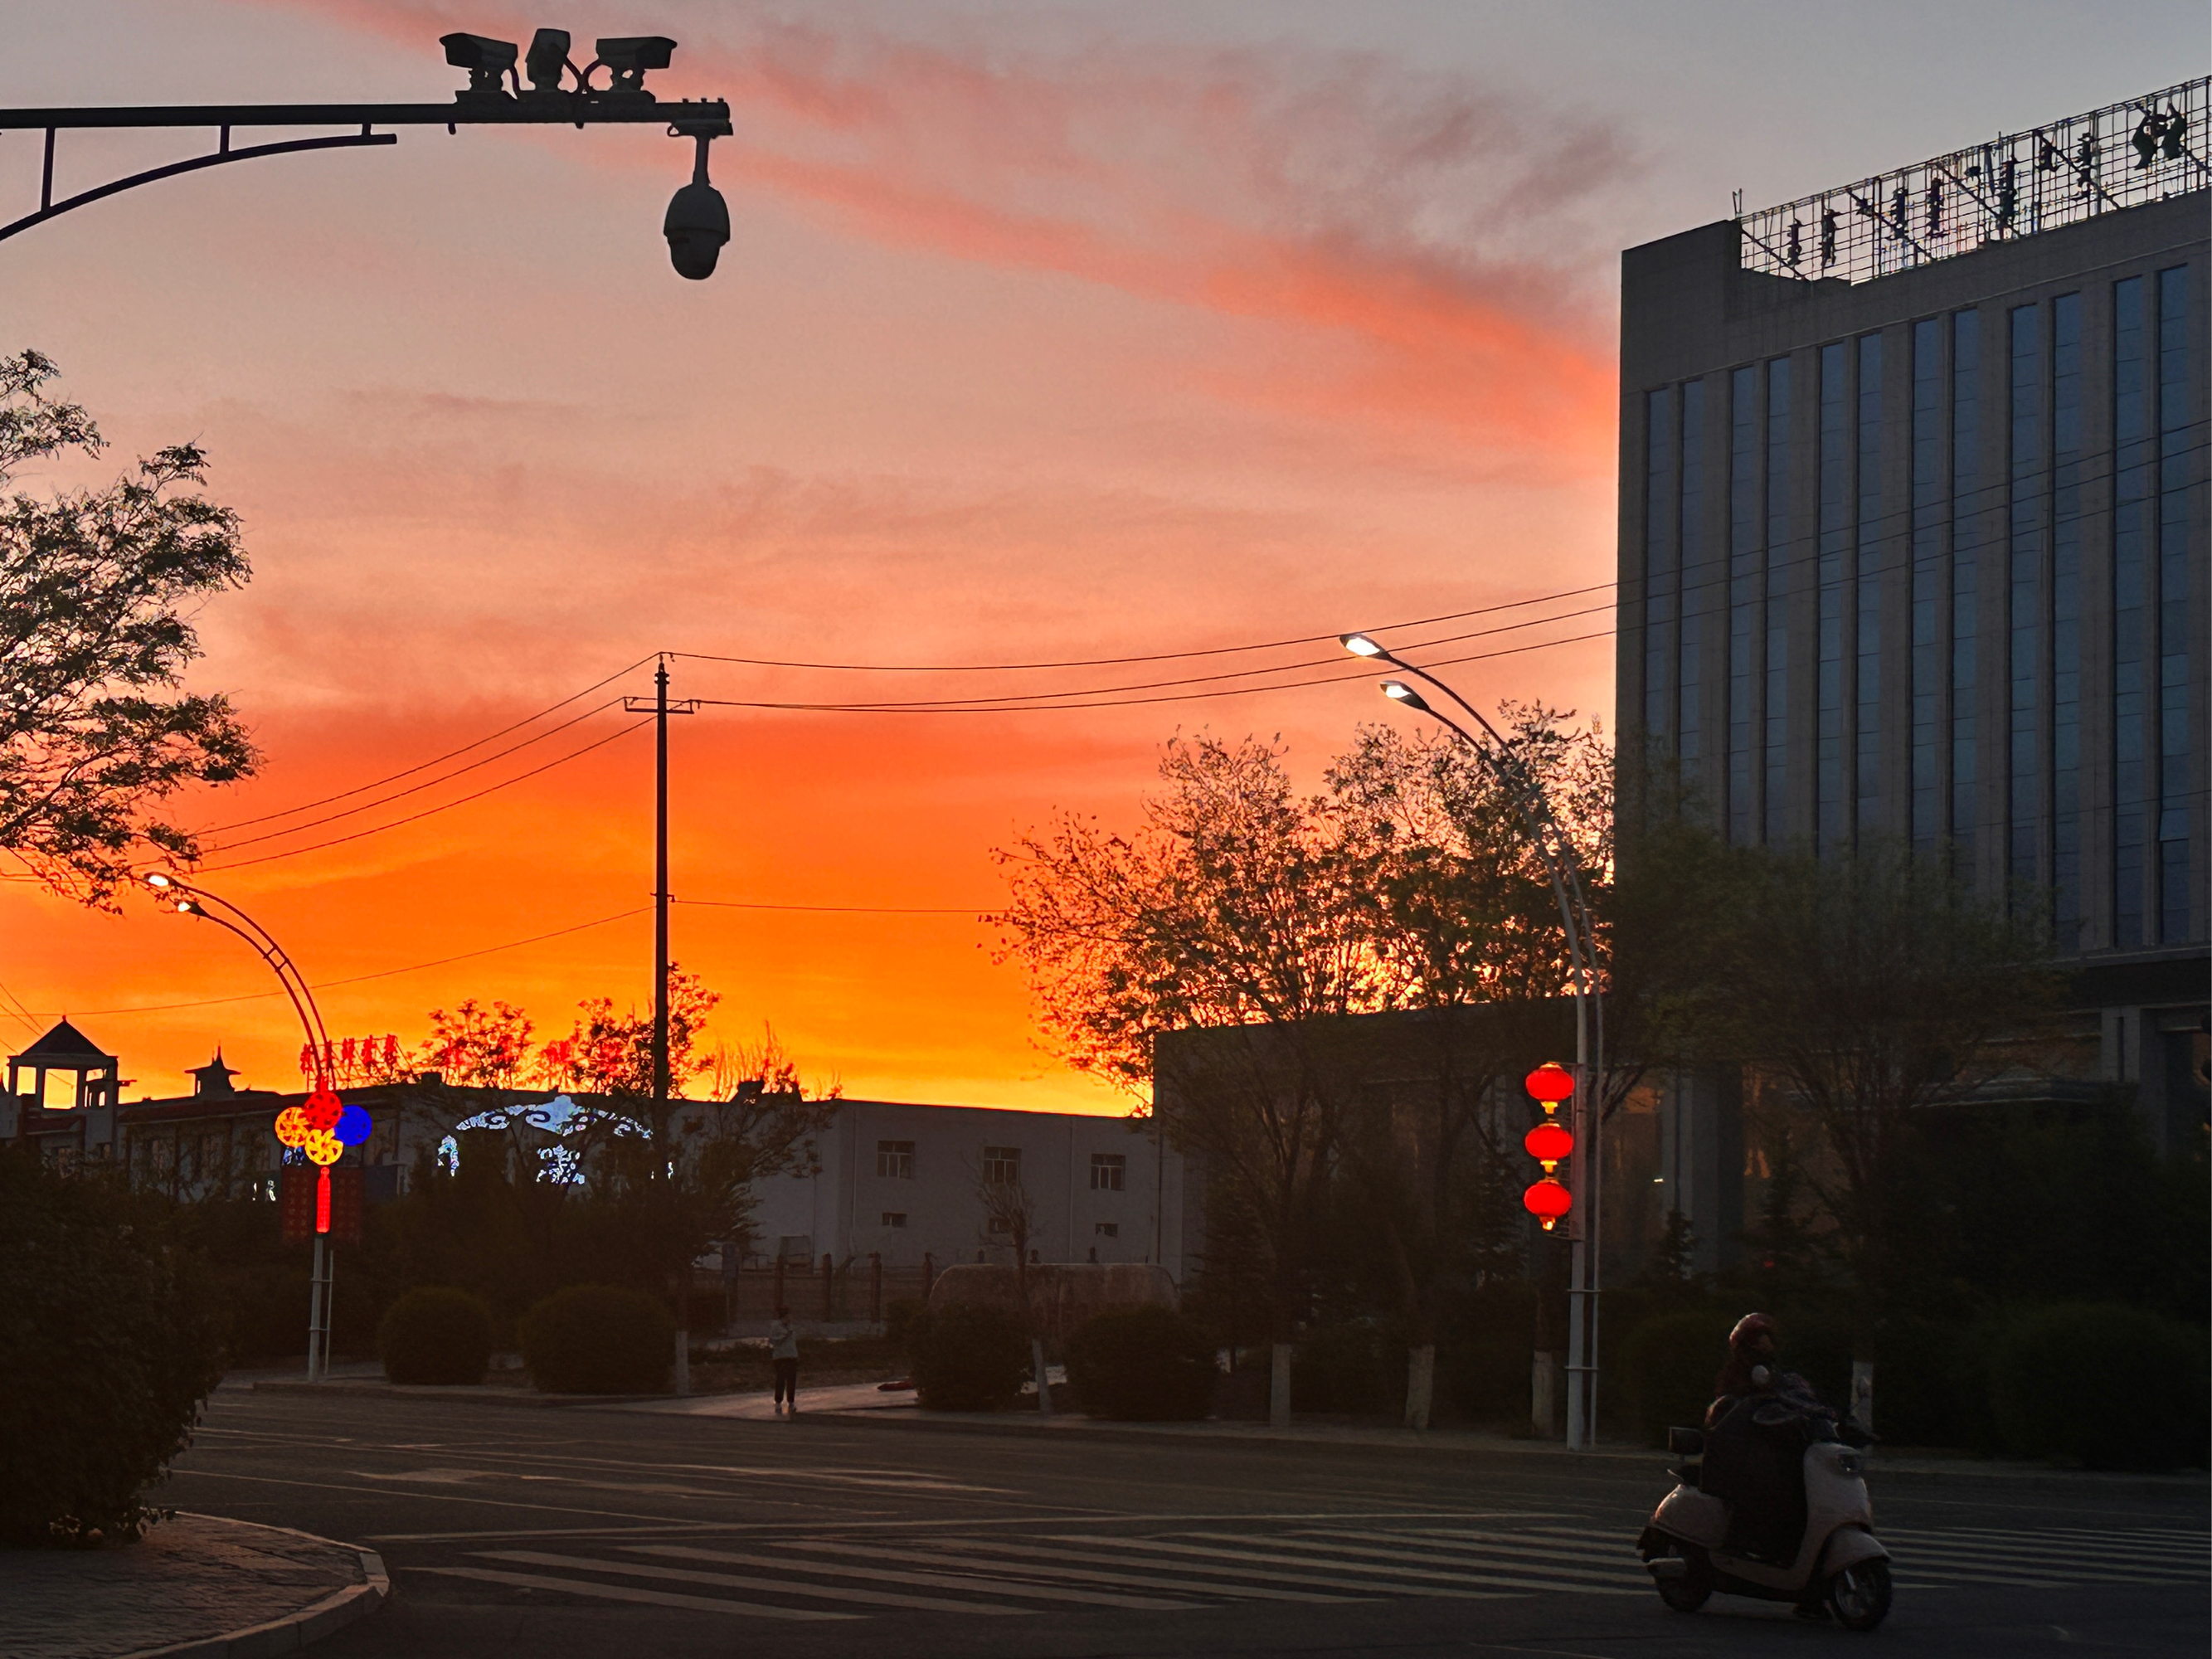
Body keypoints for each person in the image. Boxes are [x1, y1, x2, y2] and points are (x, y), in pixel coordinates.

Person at [769, 1305, 799, 1416]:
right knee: (781, 1380)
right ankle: (778, 1402)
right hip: (780, 1357)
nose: (790, 1318)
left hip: (791, 1356)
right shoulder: (776, 1326)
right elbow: (772, 1340)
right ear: (784, 1316)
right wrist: (783, 1338)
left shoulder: (791, 1326)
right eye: (788, 1316)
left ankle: (791, 1402)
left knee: (792, 1380)